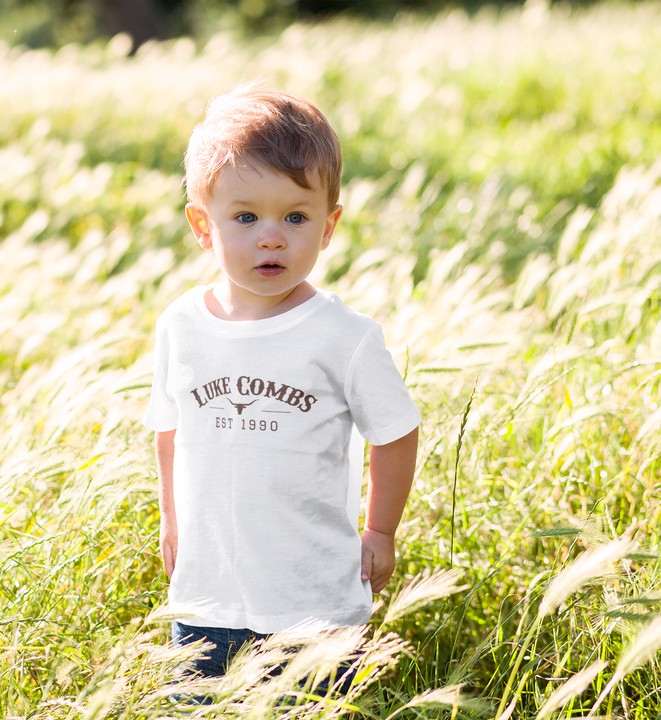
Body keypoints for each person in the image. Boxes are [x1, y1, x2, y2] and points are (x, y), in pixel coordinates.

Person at [142, 85, 421, 694]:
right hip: (206, 598)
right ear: (201, 224)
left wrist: (380, 530)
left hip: (312, 601)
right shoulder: (181, 326)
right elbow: (170, 428)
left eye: (296, 216)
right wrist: (172, 520)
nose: (272, 237)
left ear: (327, 227)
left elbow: (396, 432)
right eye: (245, 217)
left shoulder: (343, 337)